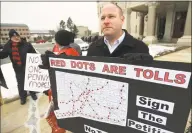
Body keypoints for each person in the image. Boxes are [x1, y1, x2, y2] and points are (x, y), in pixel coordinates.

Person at [39, 30, 80, 133]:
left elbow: (60, 80)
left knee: (58, 121)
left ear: (57, 42)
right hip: (71, 94)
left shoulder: (63, 55)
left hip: (60, 96)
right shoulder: (73, 51)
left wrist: (50, 91)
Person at [87, 3, 152, 62]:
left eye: (111, 16)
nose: (106, 21)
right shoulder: (92, 48)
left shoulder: (140, 48)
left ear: (122, 20)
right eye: (102, 18)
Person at [0, 29, 37, 105]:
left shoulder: (26, 44)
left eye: (17, 36)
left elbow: (34, 54)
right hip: (18, 68)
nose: (16, 38)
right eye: (14, 37)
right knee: (21, 83)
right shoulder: (8, 46)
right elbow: (3, 55)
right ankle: (23, 97)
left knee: (30, 80)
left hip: (28, 67)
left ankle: (33, 93)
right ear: (10, 38)